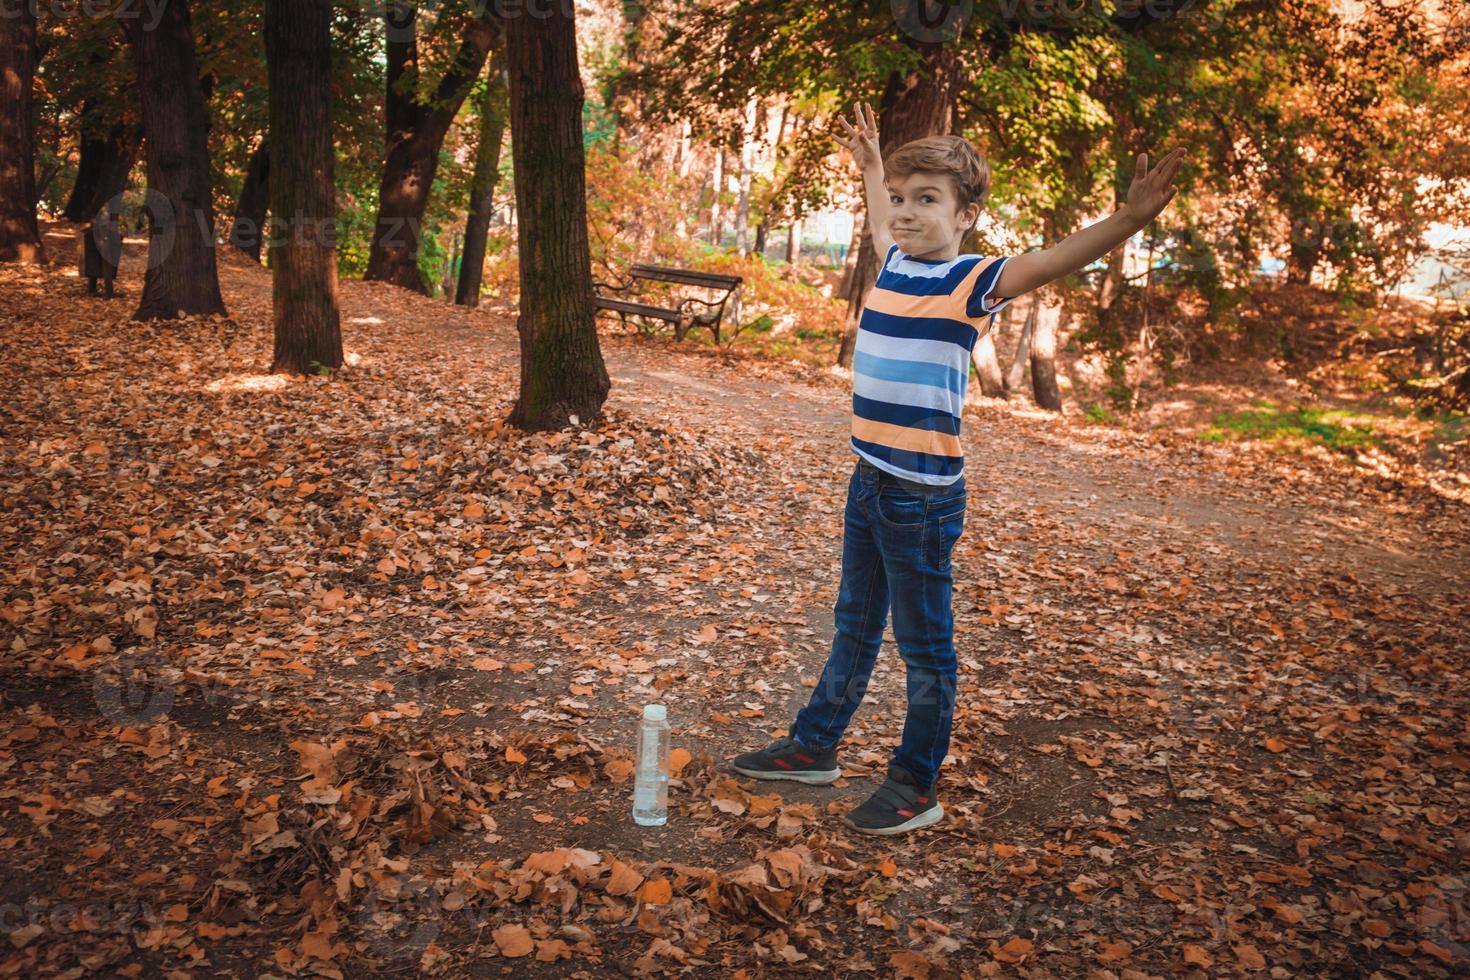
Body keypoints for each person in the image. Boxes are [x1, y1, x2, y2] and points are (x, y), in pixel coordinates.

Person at [731, 102, 1185, 836]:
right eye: (903, 200)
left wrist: (1129, 219)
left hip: (921, 497)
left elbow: (1058, 255)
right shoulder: (899, 261)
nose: (906, 215)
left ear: (967, 214)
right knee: (853, 623)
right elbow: (882, 219)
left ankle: (915, 782)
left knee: (924, 645)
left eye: (928, 201)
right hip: (869, 478)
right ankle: (815, 746)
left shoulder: (976, 281)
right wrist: (875, 169)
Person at [82, 209, 123, 299]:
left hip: (104, 233)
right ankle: (94, 289)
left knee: (103, 262)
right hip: (97, 233)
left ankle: (101, 290)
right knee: (94, 261)